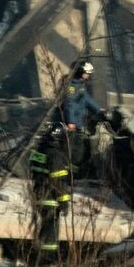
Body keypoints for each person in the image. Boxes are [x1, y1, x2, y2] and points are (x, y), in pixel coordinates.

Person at [30, 61, 101, 249]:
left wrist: (102, 113)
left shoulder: (80, 89)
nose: (88, 76)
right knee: (50, 218)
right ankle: (46, 251)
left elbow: (88, 103)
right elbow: (68, 105)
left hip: (46, 185)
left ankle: (46, 248)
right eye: (86, 73)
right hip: (48, 189)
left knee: (50, 221)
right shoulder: (70, 88)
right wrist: (70, 122)